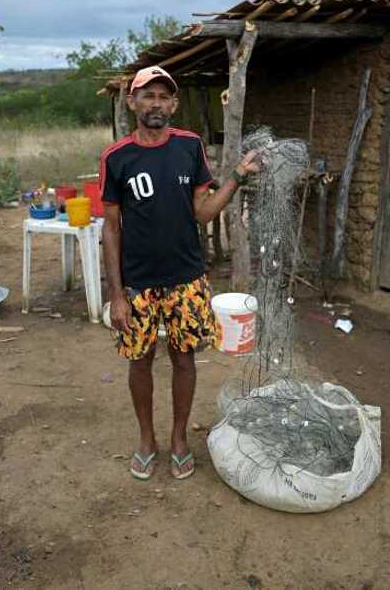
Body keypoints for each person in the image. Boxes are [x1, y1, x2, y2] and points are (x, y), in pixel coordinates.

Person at [100, 65, 260, 481]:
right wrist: (116, 294)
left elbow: (201, 211)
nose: (155, 103)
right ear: (132, 102)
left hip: (186, 277)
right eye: (146, 95)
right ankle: (146, 439)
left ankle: (178, 438)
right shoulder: (116, 158)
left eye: (163, 96)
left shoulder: (189, 147)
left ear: (173, 104)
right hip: (137, 283)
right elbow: (111, 227)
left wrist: (237, 177)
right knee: (140, 360)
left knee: (184, 358)